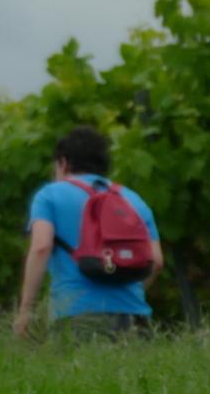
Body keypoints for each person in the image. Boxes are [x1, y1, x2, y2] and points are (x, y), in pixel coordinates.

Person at [13, 126, 163, 340]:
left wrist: (25, 310)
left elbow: (41, 247)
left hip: (76, 317)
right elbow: (156, 262)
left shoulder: (49, 195)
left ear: (63, 163)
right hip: (134, 319)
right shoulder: (133, 199)